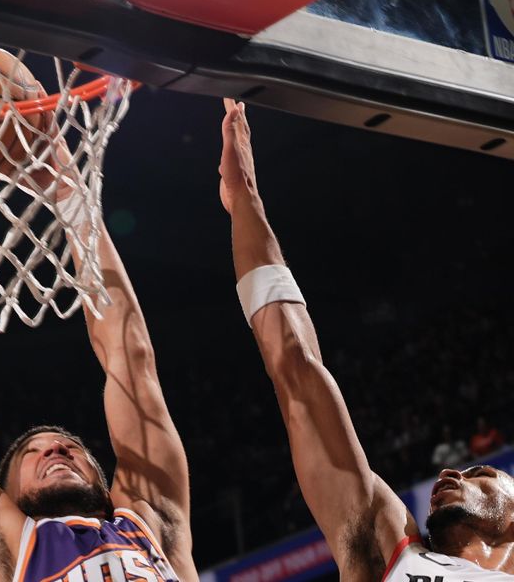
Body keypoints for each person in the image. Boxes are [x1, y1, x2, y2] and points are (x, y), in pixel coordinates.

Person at [0, 105, 196, 582]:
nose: (56, 451)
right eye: (35, 454)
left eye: (69, 449)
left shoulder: (153, 522)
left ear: (102, 480)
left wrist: (72, 197)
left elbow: (131, 359)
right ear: (6, 495)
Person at [217, 98, 514, 580]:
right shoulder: (389, 552)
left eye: (482, 473)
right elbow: (298, 370)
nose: (450, 472)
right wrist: (244, 197)